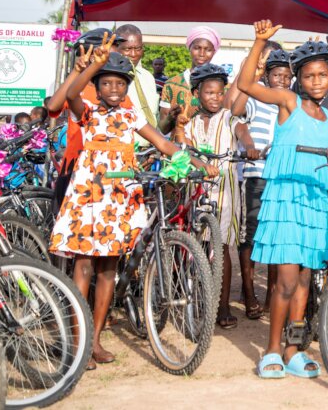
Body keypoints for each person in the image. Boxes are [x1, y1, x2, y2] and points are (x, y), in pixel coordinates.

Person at [49, 34, 216, 370]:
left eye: (120, 84)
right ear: (96, 87)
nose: (113, 89)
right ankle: (78, 340)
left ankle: (95, 339)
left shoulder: (130, 117)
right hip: (90, 194)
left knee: (109, 270)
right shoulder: (90, 113)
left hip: (120, 197)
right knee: (83, 266)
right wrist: (93, 64)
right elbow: (69, 96)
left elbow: (166, 145)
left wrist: (198, 162)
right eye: (106, 83)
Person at [235, 21, 328, 379]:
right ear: (299, 78)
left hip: (314, 202)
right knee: (283, 281)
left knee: (303, 282)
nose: (317, 81)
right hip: (285, 202)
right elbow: (246, 85)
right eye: (309, 76)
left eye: (323, 75)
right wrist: (259, 43)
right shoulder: (288, 101)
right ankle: (271, 350)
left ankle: (294, 350)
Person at [176, 63, 245, 330]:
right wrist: (197, 161)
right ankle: (197, 298)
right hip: (197, 188)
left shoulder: (229, 117)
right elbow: (184, 147)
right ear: (197, 93)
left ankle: (222, 304)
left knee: (223, 248)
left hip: (225, 189)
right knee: (198, 247)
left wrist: (249, 147)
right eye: (209, 93)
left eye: (219, 92)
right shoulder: (190, 123)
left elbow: (243, 132)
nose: (215, 97)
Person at [232, 45, 289, 317]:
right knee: (250, 238)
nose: (282, 80)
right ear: (267, 76)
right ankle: (249, 293)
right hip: (256, 175)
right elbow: (238, 117)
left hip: (281, 178)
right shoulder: (256, 98)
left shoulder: (290, 102)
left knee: (277, 239)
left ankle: (271, 297)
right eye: (277, 75)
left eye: (287, 76)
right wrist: (250, 145)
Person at [46, 28, 129, 212]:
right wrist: (77, 71)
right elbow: (53, 106)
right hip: (74, 166)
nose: (112, 59)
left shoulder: (116, 92)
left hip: (107, 169)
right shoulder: (79, 89)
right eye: (107, 54)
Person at [160, 25, 220, 123]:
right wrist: (171, 118)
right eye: (197, 48)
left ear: (214, 52)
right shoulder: (172, 84)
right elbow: (162, 128)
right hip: (178, 138)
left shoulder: (223, 86)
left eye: (208, 50)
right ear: (189, 48)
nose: (202, 54)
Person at [115, 24, 161, 145]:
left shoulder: (148, 77)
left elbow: (153, 116)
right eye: (127, 49)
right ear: (116, 48)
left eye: (138, 48)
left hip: (149, 151)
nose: (134, 54)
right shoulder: (110, 80)